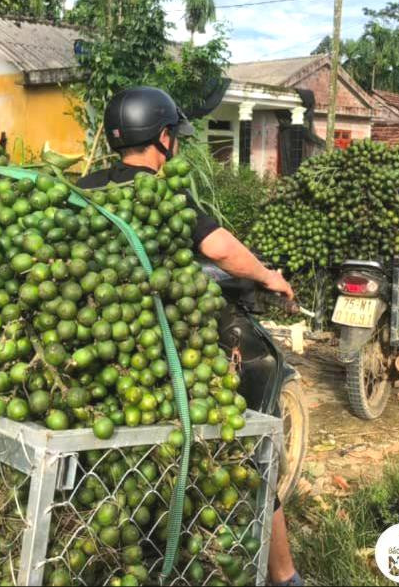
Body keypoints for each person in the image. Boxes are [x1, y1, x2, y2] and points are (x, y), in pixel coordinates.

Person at [78, 86, 303, 587]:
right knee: (248, 453)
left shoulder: (87, 187)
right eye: (173, 138)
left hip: (95, 339)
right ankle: (286, 577)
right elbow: (221, 249)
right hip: (161, 350)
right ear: (163, 139)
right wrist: (269, 276)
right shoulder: (163, 195)